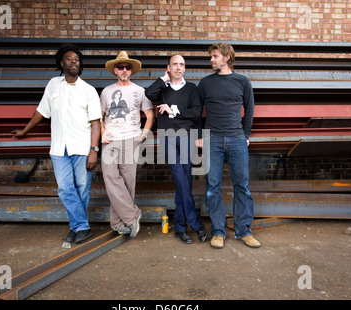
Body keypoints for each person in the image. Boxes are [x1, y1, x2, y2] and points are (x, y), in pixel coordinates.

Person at [12, 44, 102, 245]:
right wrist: (25, 130)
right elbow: (42, 111)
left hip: (82, 147)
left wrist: (94, 150)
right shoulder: (53, 84)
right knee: (65, 188)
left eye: (77, 60)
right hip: (59, 148)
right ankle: (82, 226)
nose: (73, 62)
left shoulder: (88, 90)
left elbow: (96, 123)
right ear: (62, 63)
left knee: (82, 189)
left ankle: (75, 227)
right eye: (69, 59)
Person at [197, 42, 261, 249]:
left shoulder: (242, 81)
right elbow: (197, 112)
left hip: (236, 139)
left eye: (214, 56)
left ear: (226, 58)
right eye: (211, 57)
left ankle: (243, 230)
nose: (211, 60)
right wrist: (200, 135)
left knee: (242, 185)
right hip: (213, 139)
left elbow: (249, 109)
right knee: (212, 187)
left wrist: (246, 135)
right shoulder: (205, 83)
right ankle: (218, 231)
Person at [145, 54, 207, 244]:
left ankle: (180, 228)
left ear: (185, 68)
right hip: (168, 139)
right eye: (175, 64)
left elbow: (196, 113)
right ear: (169, 67)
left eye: (182, 65)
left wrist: (173, 111)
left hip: (187, 138)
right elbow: (149, 94)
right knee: (181, 180)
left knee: (184, 183)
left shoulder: (191, 89)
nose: (178, 68)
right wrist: (163, 79)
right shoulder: (162, 88)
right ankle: (196, 225)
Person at [100, 51, 154, 238]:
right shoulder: (106, 91)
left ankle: (119, 223)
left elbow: (149, 115)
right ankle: (133, 216)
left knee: (128, 182)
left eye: (127, 67)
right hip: (110, 140)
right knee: (110, 177)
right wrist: (102, 131)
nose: (124, 70)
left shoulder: (140, 91)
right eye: (121, 67)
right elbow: (100, 116)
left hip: (131, 138)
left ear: (131, 71)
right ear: (115, 70)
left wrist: (143, 136)